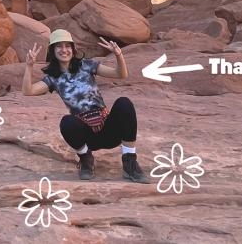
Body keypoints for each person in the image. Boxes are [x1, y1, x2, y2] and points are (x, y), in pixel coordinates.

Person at [22, 30, 150, 183]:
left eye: (67, 46)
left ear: (73, 49)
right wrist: (29, 66)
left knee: (124, 104)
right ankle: (85, 159)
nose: (64, 50)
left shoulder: (87, 65)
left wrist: (118, 55)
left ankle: (130, 163)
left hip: (107, 128)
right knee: (67, 122)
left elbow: (120, 74)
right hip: (86, 135)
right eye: (59, 47)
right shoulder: (53, 78)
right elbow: (28, 91)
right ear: (53, 51)